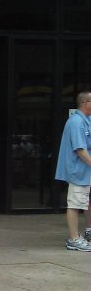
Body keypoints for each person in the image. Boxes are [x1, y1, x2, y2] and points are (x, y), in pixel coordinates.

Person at [54, 91, 91, 252]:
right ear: (85, 103)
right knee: (75, 204)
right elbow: (80, 149)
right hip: (78, 172)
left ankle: (82, 234)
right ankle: (73, 239)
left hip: (84, 172)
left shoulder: (85, 120)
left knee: (83, 202)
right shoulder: (76, 122)